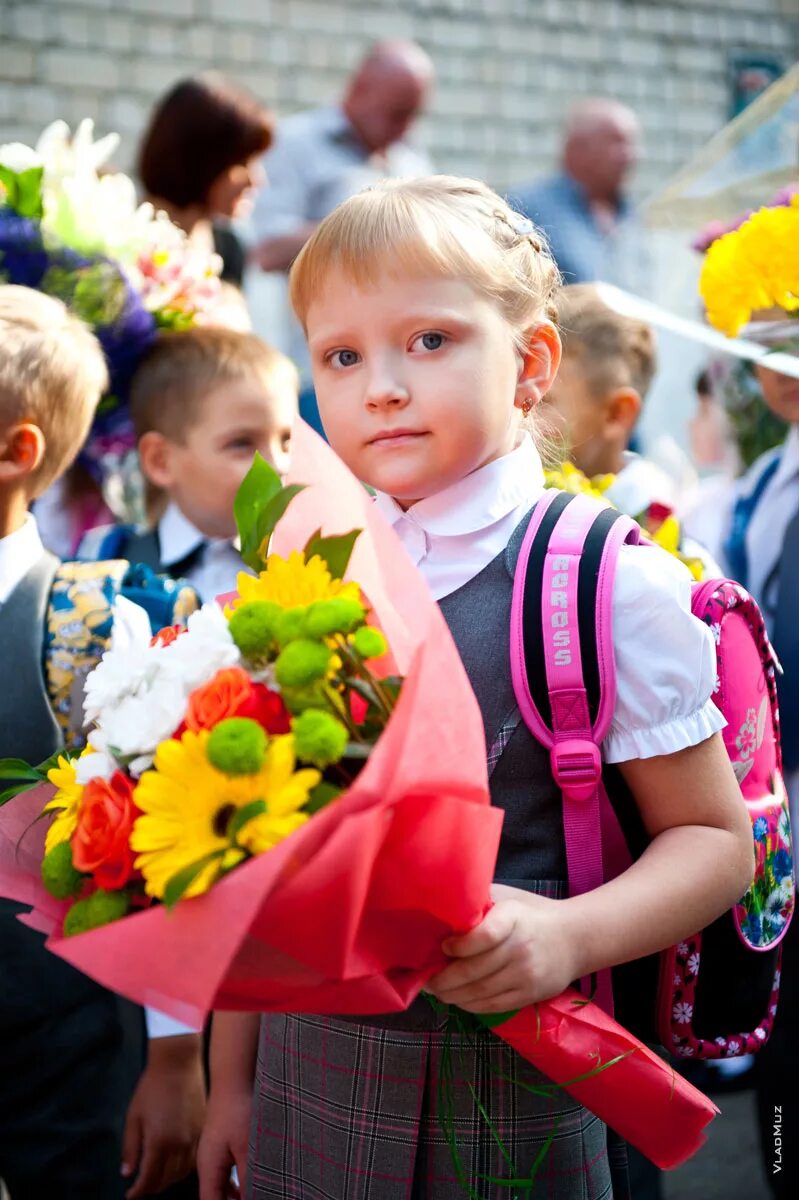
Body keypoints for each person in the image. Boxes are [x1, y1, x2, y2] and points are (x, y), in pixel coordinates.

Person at [197, 178, 753, 1200]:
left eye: (430, 341)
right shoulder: (305, 564)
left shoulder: (603, 581)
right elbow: (262, 851)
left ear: (532, 362)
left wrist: (569, 933)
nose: (383, 388)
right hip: (302, 1078)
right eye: (343, 356)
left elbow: (717, 843)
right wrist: (227, 1082)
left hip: (507, 1088)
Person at [0, 286, 205, 1199]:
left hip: (66, 1047)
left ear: (18, 451)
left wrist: (174, 1060)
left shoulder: (105, 622)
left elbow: (170, 856)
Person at [248, 39, 434, 430]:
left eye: (413, 115)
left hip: (408, 370)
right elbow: (265, 249)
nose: (405, 129)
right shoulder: (296, 143)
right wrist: (367, 226)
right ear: (360, 89)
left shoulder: (410, 158)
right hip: (321, 370)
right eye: (397, 113)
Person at [79, 327, 297, 601]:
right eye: (241, 444)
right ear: (161, 461)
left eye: (287, 441)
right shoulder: (104, 563)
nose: (278, 465)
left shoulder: (310, 559)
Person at [138, 74, 274, 292]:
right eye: (242, 162)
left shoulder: (229, 249)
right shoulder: (125, 239)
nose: (256, 179)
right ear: (199, 159)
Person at [514, 99, 649, 294]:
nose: (631, 155)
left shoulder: (630, 212)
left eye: (631, 143)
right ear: (577, 148)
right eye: (616, 142)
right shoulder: (527, 209)